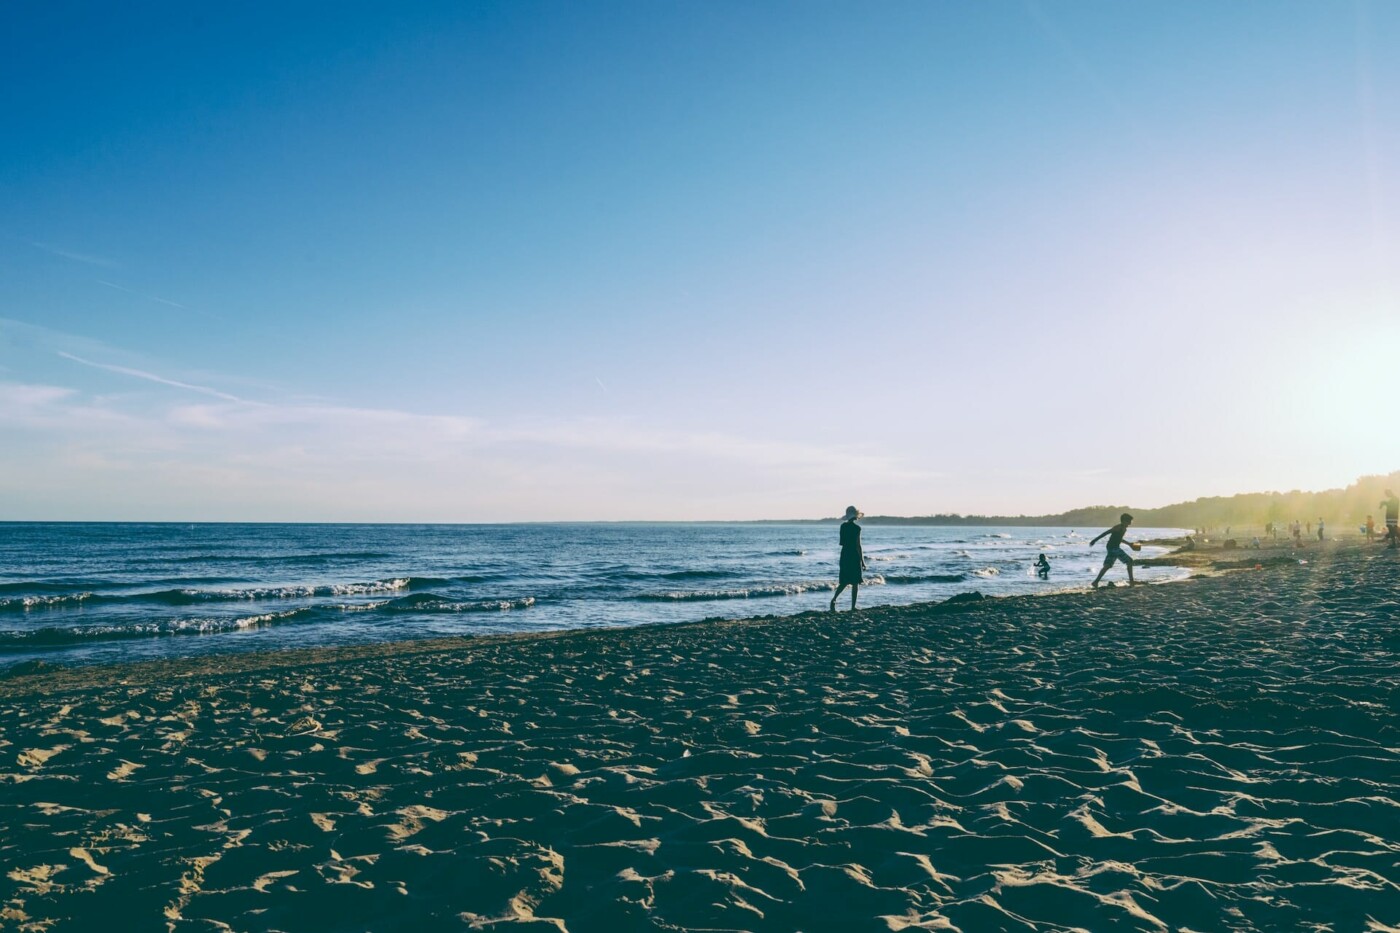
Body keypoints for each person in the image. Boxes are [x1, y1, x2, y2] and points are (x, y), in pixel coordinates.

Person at [830, 506, 866, 610]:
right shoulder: (857, 528)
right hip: (854, 555)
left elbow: (842, 542)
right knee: (855, 582)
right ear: (855, 516)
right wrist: (863, 562)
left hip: (845, 554)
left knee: (844, 581)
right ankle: (853, 607)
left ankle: (834, 599)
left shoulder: (843, 526)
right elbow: (858, 545)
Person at [1090, 513, 1137, 587]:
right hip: (1113, 548)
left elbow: (1119, 538)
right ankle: (1132, 582)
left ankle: (1095, 582)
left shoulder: (1124, 528)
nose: (1130, 523)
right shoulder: (1118, 527)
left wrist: (1129, 544)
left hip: (1112, 548)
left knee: (1107, 565)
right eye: (1129, 521)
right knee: (1129, 561)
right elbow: (1105, 533)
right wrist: (1094, 540)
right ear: (1124, 520)